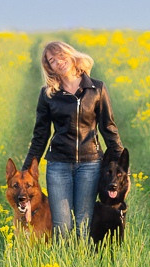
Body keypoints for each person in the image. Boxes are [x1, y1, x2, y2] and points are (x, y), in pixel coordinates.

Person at [22, 40, 124, 238]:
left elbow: (109, 128)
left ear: (70, 54)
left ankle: (82, 264)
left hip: (91, 164)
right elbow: (40, 136)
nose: (58, 61)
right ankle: (62, 264)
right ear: (49, 68)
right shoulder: (48, 94)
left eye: (61, 55)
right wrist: (26, 170)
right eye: (52, 60)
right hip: (58, 165)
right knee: (62, 225)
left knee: (83, 221)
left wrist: (122, 166)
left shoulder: (96, 88)